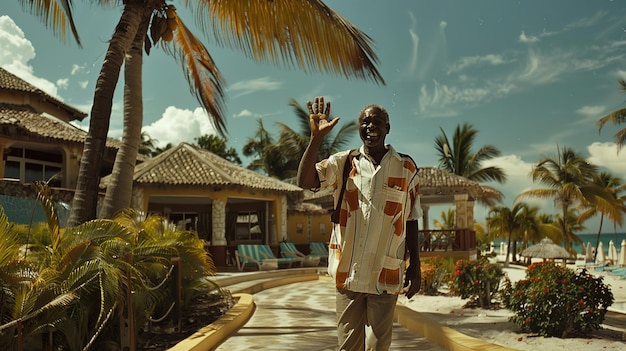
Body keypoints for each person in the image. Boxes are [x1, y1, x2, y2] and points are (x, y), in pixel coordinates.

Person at [297, 96, 422, 351]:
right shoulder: (343, 164)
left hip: (385, 275)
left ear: (388, 128)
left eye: (377, 122)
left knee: (378, 348)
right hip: (348, 275)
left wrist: (415, 267)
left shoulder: (406, 168)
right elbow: (304, 180)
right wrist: (316, 138)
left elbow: (411, 219)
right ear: (359, 128)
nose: (370, 127)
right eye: (365, 122)